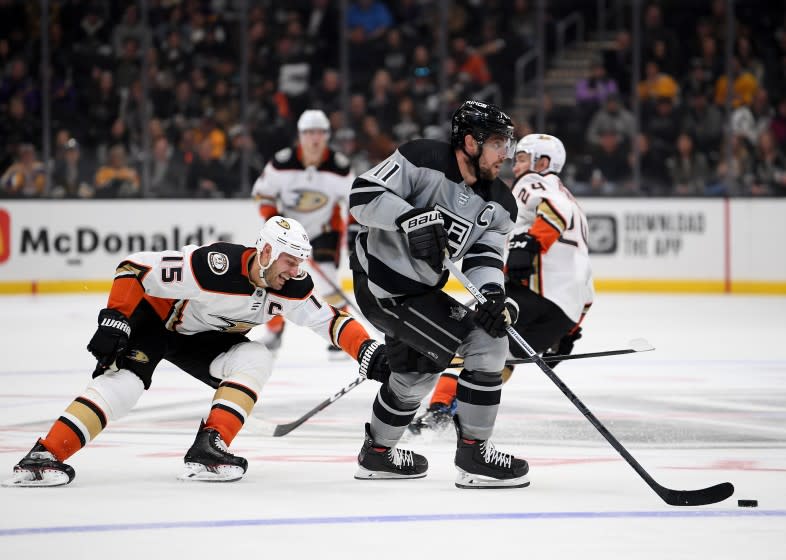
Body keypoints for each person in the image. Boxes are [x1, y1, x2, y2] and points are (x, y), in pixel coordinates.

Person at [3, 216, 389, 487]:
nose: (296, 270)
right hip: (156, 321)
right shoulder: (212, 267)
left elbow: (330, 320)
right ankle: (44, 454)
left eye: (299, 262)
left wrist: (367, 349)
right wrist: (114, 318)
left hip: (203, 339)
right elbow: (133, 267)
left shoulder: (291, 285)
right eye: (290, 261)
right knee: (125, 386)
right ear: (267, 252)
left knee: (256, 358)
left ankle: (210, 447)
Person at [348, 100, 528, 489]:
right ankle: (474, 454)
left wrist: (493, 296)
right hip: (381, 284)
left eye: (507, 145)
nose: (506, 155)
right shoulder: (421, 157)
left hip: (419, 293)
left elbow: (484, 256)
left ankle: (377, 455)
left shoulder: (501, 204)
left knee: (414, 373)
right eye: (498, 144)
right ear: (469, 142)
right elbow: (362, 196)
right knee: (486, 342)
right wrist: (406, 217)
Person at [410, 134, 595, 434]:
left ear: (543, 163)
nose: (515, 163)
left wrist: (530, 244)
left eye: (522, 158)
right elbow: (585, 279)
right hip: (565, 313)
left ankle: (440, 409)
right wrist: (569, 331)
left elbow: (554, 211)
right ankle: (458, 408)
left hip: (534, 294)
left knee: (469, 341)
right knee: (501, 357)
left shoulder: (535, 183)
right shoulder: (578, 208)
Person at [251, 109, 356, 358]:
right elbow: (263, 192)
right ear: (300, 135)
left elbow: (354, 200)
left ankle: (343, 329)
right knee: (273, 277)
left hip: (324, 229)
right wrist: (272, 220)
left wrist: (352, 231)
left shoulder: (340, 168)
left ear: (327, 136)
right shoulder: (282, 163)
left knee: (327, 279)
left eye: (319, 132)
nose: (314, 138)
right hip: (288, 234)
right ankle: (275, 330)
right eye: (309, 132)